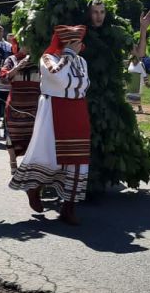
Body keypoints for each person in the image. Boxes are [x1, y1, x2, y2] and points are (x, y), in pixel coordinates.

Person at [10, 25, 90, 225]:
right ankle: (34, 188)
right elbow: (58, 77)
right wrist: (68, 56)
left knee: (78, 160)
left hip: (77, 110)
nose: (81, 46)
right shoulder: (48, 59)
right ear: (67, 43)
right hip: (54, 110)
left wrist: (72, 62)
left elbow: (84, 84)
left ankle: (68, 208)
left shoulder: (82, 61)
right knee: (49, 155)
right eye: (76, 42)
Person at [1, 44, 41, 174]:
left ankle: (29, 165)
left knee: (34, 135)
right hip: (15, 105)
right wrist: (19, 66)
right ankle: (13, 164)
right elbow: (4, 78)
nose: (28, 47)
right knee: (12, 134)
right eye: (25, 44)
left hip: (34, 105)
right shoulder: (11, 60)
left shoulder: (40, 60)